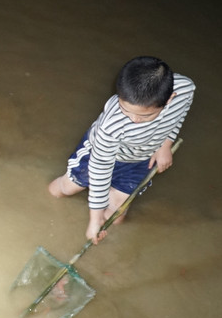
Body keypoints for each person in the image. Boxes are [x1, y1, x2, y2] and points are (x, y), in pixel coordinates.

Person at [48, 56, 195, 244]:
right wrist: (94, 219)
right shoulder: (112, 125)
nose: (133, 119)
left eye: (144, 115)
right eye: (125, 109)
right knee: (68, 188)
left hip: (141, 158)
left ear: (169, 99)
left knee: (116, 217)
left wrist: (166, 144)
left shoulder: (184, 90)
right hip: (100, 155)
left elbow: (178, 114)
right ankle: (47, 201)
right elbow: (100, 168)